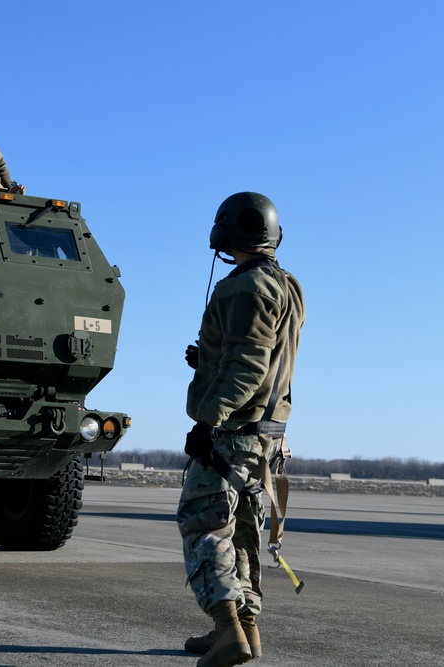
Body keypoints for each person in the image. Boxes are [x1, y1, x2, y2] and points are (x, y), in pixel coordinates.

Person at [177, 192, 306, 667]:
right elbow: (264, 356)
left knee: (204, 524)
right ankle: (246, 632)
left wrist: (208, 421)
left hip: (234, 432)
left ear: (227, 231)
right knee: (245, 534)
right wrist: (208, 358)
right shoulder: (286, 284)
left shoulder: (243, 287)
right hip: (268, 435)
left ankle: (227, 629)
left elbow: (249, 366)